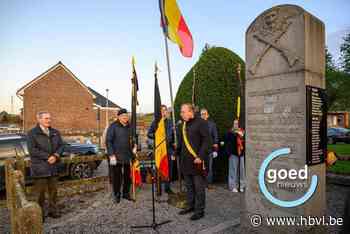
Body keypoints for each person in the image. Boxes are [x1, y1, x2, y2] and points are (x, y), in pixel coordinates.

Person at [27, 111, 64, 221]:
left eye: (50, 118)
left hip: (53, 167)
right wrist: (48, 157)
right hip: (40, 168)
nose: (49, 120)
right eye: (46, 118)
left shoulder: (55, 132)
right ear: (39, 119)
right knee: (40, 194)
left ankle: (53, 210)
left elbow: (62, 145)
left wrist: (56, 155)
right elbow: (32, 150)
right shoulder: (32, 133)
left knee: (53, 192)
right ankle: (40, 215)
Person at [177, 103, 211, 221]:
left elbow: (207, 141)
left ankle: (199, 210)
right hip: (185, 161)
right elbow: (182, 143)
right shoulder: (183, 124)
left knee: (199, 188)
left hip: (197, 161)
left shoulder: (201, 123)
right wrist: (176, 151)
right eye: (181, 112)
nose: (181, 114)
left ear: (190, 112)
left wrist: (200, 157)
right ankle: (190, 206)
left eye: (183, 111)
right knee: (189, 187)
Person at [106, 109, 136, 203]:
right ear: (119, 117)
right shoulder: (113, 126)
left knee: (128, 176)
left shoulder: (130, 126)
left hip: (128, 155)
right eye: (123, 116)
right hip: (116, 156)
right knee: (117, 177)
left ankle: (126, 193)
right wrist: (111, 155)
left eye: (126, 116)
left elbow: (135, 138)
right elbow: (108, 141)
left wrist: (135, 146)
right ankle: (117, 194)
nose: (125, 117)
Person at [147, 105, 175, 194]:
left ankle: (167, 187)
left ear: (167, 112)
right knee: (158, 168)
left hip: (169, 149)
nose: (163, 112)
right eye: (161, 111)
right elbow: (149, 134)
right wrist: (157, 137)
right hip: (159, 149)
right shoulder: (155, 122)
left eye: (165, 110)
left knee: (169, 168)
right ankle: (158, 187)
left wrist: (174, 146)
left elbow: (174, 136)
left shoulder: (171, 122)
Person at [224, 119, 245, 193]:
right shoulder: (230, 132)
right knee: (233, 171)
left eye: (237, 124)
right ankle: (233, 186)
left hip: (241, 154)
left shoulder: (243, 132)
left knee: (241, 171)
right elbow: (227, 142)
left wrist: (241, 135)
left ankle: (241, 186)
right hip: (233, 154)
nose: (236, 125)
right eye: (235, 123)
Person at [200, 108, 219, 186]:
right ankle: (201, 183)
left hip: (209, 150)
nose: (203, 115)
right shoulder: (198, 125)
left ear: (208, 115)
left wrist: (215, 150)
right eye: (202, 114)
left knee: (209, 167)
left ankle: (209, 183)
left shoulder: (212, 124)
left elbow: (216, 137)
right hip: (200, 150)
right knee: (200, 167)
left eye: (205, 114)